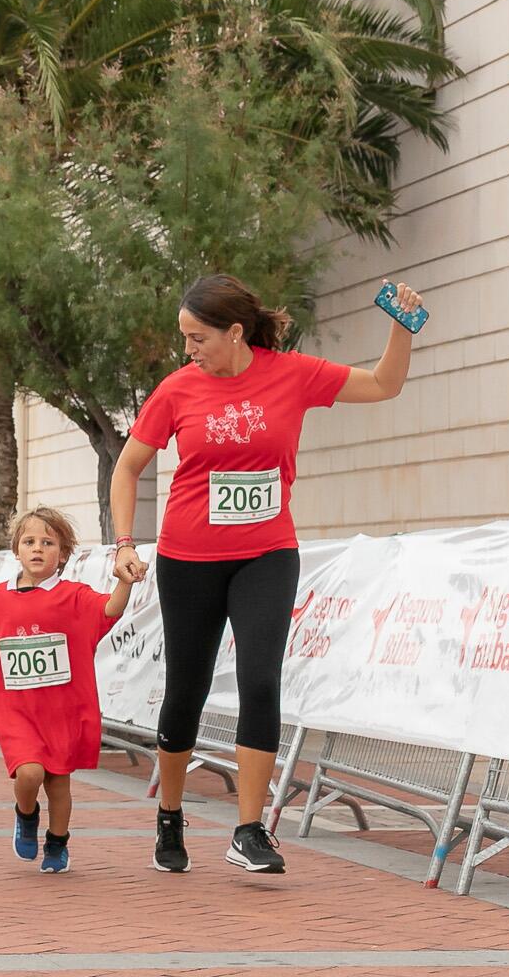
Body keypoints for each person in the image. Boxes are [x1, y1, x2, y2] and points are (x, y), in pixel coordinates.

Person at [110, 274, 423, 876]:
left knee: (260, 681)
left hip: (267, 553)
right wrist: (124, 543)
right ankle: (169, 816)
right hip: (189, 558)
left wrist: (401, 328)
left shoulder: (292, 374)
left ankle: (250, 830)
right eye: (184, 338)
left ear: (234, 332)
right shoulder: (175, 391)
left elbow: (384, 384)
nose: (188, 350)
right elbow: (127, 470)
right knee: (186, 690)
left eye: (197, 337)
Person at [0, 507, 131, 875]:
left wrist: (124, 581)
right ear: (16, 550)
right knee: (29, 774)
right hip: (18, 711)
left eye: (48, 543)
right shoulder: (0, 597)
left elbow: (111, 609)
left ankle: (57, 842)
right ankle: (26, 814)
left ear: (62, 554)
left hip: (63, 710)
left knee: (59, 782)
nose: (38, 548)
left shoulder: (74, 596)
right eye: (29, 541)